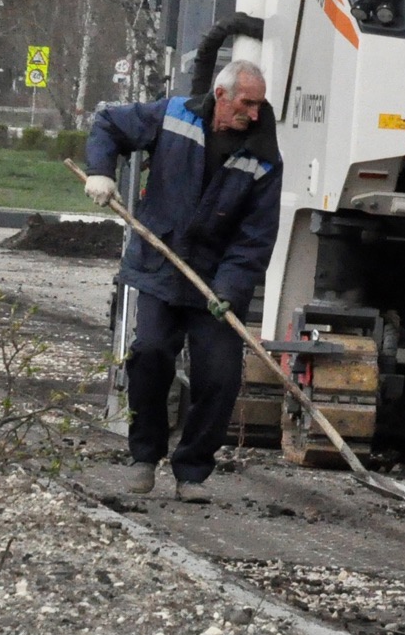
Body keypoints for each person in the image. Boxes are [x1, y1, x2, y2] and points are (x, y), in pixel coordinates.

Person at [85, 59, 281, 501]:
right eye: (246, 103)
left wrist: (228, 291)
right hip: (160, 265)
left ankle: (192, 470)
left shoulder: (263, 155)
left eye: (259, 105)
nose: (252, 113)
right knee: (150, 355)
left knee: (219, 375)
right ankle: (144, 457)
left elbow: (255, 237)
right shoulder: (174, 116)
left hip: (215, 282)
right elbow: (108, 124)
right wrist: (101, 171)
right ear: (221, 95)